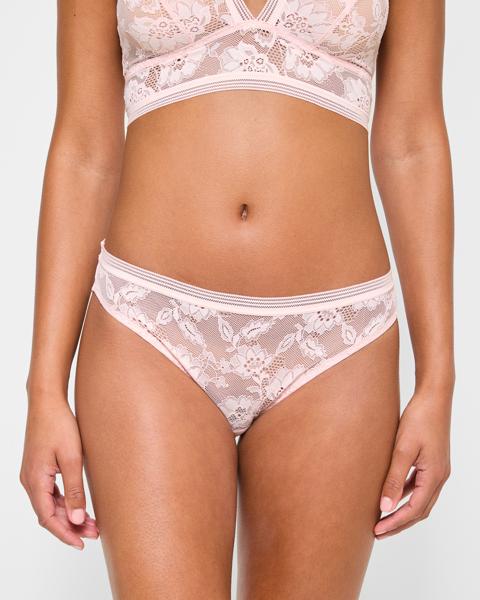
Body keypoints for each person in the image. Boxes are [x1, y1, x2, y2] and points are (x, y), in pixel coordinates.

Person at [20, 0, 454, 597]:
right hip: (148, 326)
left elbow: (413, 144)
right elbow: (84, 151)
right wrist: (44, 388)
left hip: (339, 340)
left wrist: (438, 383)